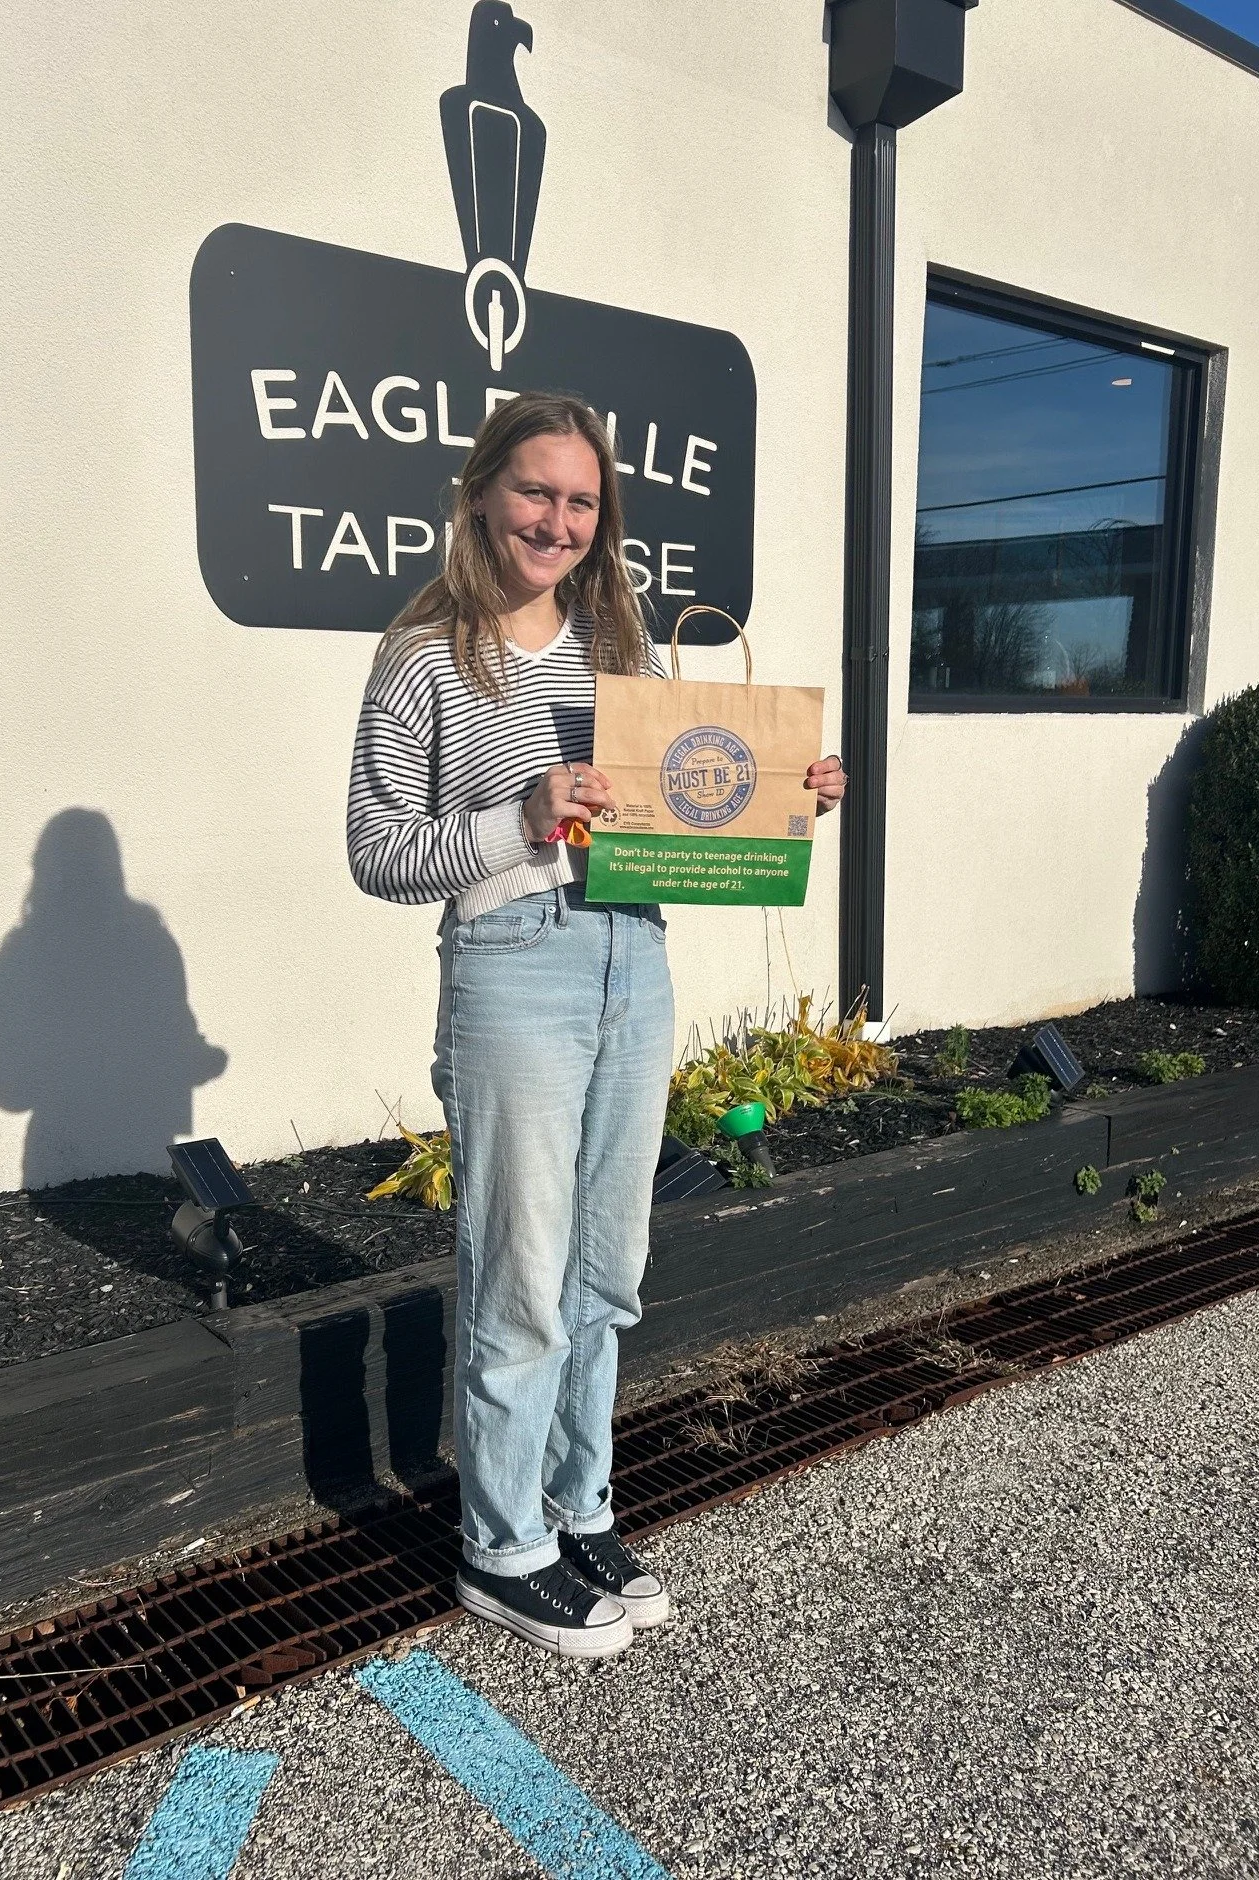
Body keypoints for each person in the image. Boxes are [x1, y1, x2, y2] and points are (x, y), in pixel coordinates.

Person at [347, 391, 846, 1657]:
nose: (555, 521)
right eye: (534, 491)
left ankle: (579, 1504)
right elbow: (375, 849)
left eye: (579, 501)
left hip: (636, 952)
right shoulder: (426, 656)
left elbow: (687, 803)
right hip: (515, 962)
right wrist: (515, 816)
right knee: (519, 1265)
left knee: (604, 1268)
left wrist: (788, 798)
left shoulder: (621, 643)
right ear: (479, 494)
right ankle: (500, 1542)